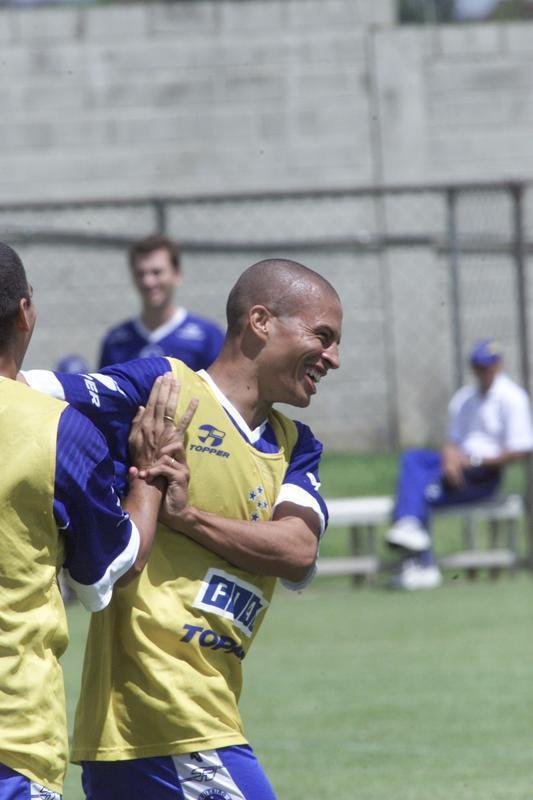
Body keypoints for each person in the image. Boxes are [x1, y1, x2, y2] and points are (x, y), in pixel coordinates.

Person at [24, 257, 342, 800]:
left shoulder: (297, 446)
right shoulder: (164, 389)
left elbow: (298, 551)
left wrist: (185, 516)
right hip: (170, 719)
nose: (334, 358)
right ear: (260, 321)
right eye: (323, 336)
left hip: (154, 731)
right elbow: (32, 389)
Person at [0, 241, 196, 799]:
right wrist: (150, 473)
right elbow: (103, 575)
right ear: (25, 311)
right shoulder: (57, 430)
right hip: (12, 735)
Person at [386, 338, 533, 591]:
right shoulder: (465, 398)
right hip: (456, 466)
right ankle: (409, 528)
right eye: (478, 366)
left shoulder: (512, 398)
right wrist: (451, 458)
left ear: (498, 366)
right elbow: (452, 440)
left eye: (487, 366)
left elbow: (521, 450)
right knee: (412, 458)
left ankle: (423, 563)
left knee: (421, 492)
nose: (482, 371)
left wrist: (474, 460)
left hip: (484, 473)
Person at [98, 233, 225, 370]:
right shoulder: (116, 341)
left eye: (157, 272)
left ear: (177, 274)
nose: (148, 282)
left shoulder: (207, 336)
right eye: (141, 274)